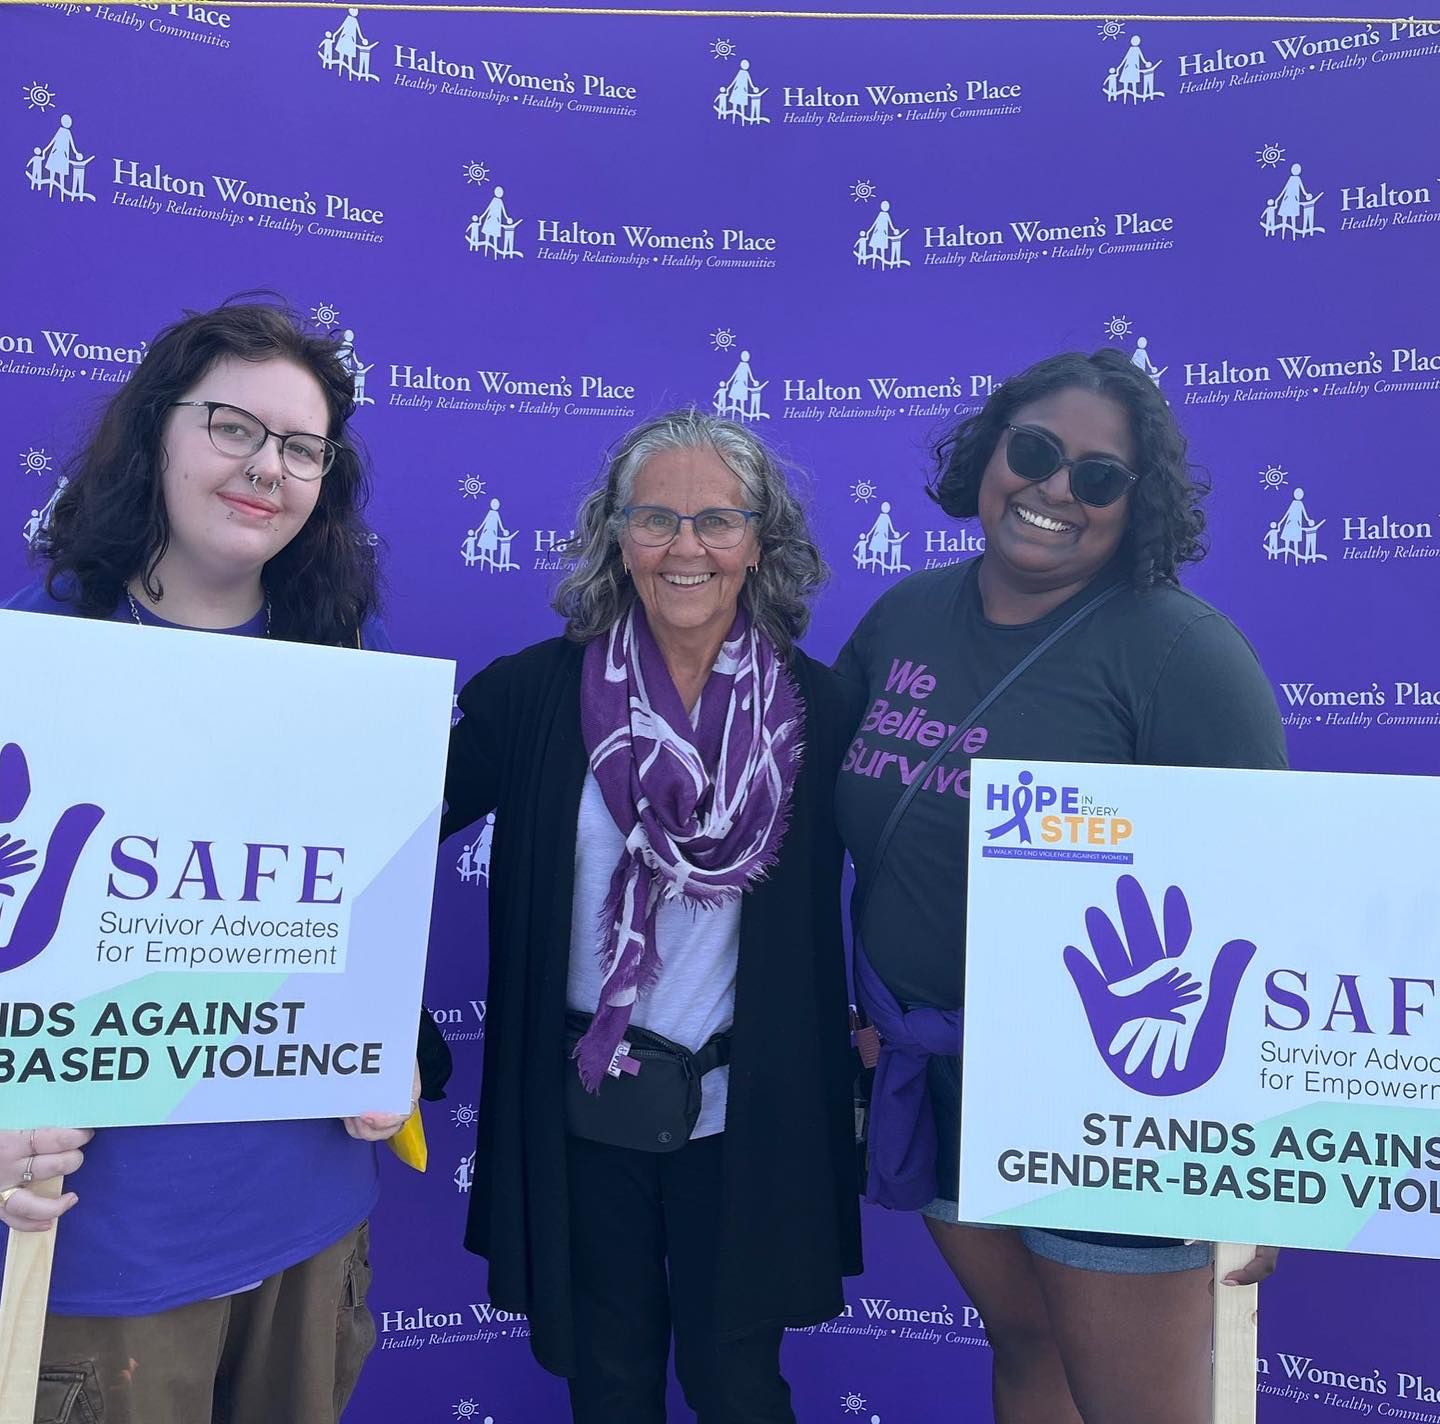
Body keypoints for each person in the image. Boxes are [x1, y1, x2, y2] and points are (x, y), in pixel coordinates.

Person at [0, 301, 452, 1424]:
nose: (268, 468)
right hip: (98, 1251)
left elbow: (361, 953)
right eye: (234, 427)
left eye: (302, 447)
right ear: (157, 429)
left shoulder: (352, 682)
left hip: (307, 1230)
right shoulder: (31, 662)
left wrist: (384, 1062)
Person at [834, 350, 1284, 1424]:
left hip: (1116, 1095)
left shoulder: (1183, 655)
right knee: (1028, 1342)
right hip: (934, 1068)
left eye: (1098, 477)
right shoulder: (905, 616)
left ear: (1139, 506)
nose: (1053, 490)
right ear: (988, 457)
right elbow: (820, 806)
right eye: (1033, 453)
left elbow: (1269, 897)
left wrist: (1256, 1162)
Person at [442, 409, 862, 1423]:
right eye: (656, 517)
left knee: (739, 1386)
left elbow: (908, 870)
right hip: (587, 1114)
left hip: (746, 1116)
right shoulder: (531, 698)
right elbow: (377, 836)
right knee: (611, 1383)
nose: (687, 547)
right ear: (615, 534)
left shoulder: (821, 706)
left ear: (760, 540)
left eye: (718, 519)